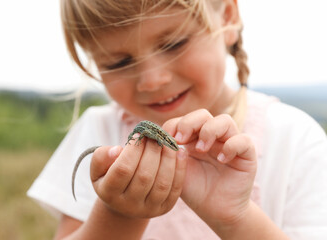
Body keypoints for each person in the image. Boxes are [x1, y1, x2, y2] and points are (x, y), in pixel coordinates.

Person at [28, 0, 327, 239]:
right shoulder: (98, 128)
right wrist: (119, 214)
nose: (152, 81)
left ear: (226, 17)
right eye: (119, 62)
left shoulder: (296, 139)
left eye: (173, 44)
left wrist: (235, 218)